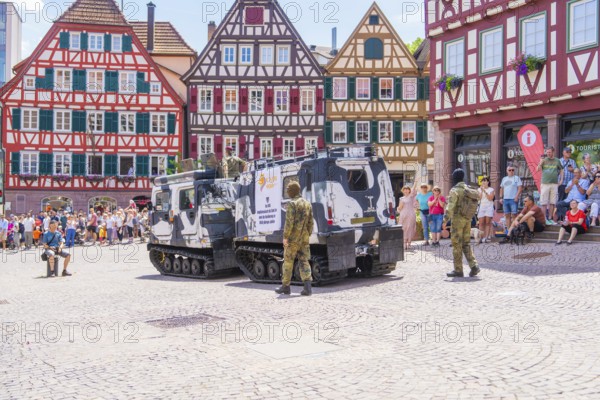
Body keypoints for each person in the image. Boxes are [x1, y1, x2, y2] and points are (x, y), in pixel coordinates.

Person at [275, 181, 314, 296]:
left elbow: (289, 223)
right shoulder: (307, 204)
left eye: (288, 190)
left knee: (288, 262)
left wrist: (285, 237)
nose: (287, 192)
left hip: (293, 239)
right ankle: (307, 288)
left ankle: (286, 287)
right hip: (304, 238)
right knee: (304, 261)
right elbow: (310, 222)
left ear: (293, 191)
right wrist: (307, 234)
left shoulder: (292, 204)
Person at [442, 169, 480, 278]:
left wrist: (445, 220)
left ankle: (458, 270)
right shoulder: (468, 189)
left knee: (456, 244)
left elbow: (450, 207)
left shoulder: (455, 190)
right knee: (466, 243)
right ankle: (474, 266)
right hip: (467, 219)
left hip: (457, 220)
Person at [537, 146, 564, 224]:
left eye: (549, 152)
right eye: (547, 152)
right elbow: (537, 169)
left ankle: (550, 218)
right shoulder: (544, 160)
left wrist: (561, 180)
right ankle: (544, 218)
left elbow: (561, 169)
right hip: (545, 183)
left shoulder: (557, 160)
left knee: (553, 202)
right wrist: (540, 162)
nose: (548, 154)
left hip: (554, 183)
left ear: (553, 152)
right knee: (544, 202)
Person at [396, 179, 419, 250]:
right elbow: (399, 208)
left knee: (410, 228)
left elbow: (413, 188)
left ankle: (409, 243)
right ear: (403, 190)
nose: (406, 191)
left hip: (411, 214)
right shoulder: (401, 198)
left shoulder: (411, 196)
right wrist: (398, 208)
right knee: (403, 228)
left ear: (409, 190)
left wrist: (415, 182)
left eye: (407, 189)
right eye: (404, 189)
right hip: (403, 214)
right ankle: (404, 243)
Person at [477, 176, 495, 243]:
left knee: (487, 223)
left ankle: (486, 237)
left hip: (489, 207)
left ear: (488, 182)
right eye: (483, 181)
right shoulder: (479, 189)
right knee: (481, 223)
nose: (484, 182)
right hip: (481, 207)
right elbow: (479, 198)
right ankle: (480, 237)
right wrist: (481, 191)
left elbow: (490, 198)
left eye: (485, 181)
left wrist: (485, 191)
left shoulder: (491, 189)